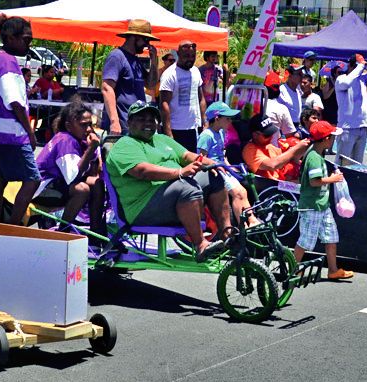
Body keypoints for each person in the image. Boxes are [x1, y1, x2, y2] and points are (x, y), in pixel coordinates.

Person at [105, 101, 226, 260]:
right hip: (142, 209)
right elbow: (142, 171)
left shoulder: (161, 139)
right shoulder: (124, 145)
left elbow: (186, 155)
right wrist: (180, 172)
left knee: (213, 176)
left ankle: (227, 236)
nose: (148, 123)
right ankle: (200, 244)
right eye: (141, 119)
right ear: (129, 122)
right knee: (186, 187)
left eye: (151, 120)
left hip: (170, 198)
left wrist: (207, 162)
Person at [0, 15, 39, 225]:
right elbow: (15, 101)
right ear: (10, 38)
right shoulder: (7, 62)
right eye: (26, 39)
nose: (29, 44)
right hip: (12, 133)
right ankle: (13, 227)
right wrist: (30, 133)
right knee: (32, 179)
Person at [295, 121, 353, 281]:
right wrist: (333, 179)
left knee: (331, 237)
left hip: (322, 205)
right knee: (305, 241)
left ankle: (333, 270)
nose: (333, 140)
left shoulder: (316, 154)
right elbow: (314, 181)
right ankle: (293, 269)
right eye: (332, 137)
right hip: (312, 206)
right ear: (326, 139)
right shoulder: (314, 157)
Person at [35, 97, 102, 226]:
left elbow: (96, 169)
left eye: (90, 124)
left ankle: (96, 229)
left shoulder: (79, 139)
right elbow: (73, 177)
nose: (89, 129)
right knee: (82, 190)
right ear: (68, 126)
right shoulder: (65, 140)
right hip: (41, 189)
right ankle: (63, 230)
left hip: (57, 184)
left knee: (97, 184)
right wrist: (91, 149)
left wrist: (94, 149)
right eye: (83, 125)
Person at [195, 101, 257, 228]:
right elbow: (200, 160)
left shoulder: (221, 133)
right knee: (238, 193)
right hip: (214, 173)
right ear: (217, 119)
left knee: (243, 191)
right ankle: (243, 226)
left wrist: (230, 167)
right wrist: (216, 167)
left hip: (223, 169)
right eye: (227, 118)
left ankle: (252, 220)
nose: (230, 121)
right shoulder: (206, 136)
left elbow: (223, 156)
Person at [101, 19, 156, 136]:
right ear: (135, 37)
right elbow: (107, 88)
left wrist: (154, 61)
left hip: (137, 125)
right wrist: (114, 122)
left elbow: (151, 84)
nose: (147, 44)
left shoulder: (136, 60)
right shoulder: (117, 56)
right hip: (122, 126)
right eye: (146, 40)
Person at [335, 54, 367, 164]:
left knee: (357, 164)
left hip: (362, 127)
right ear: (350, 65)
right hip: (347, 128)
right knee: (342, 163)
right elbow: (347, 83)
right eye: (357, 66)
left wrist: (366, 65)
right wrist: (360, 67)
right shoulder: (341, 79)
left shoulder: (363, 79)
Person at [158, 40, 206, 150]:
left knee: (193, 159)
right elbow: (164, 104)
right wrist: (168, 132)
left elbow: (201, 98)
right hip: (176, 129)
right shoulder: (169, 74)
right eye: (186, 56)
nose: (190, 59)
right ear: (178, 54)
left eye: (192, 56)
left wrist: (205, 121)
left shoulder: (196, 71)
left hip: (193, 128)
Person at [242, 114, 310, 181]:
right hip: (267, 185)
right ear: (255, 135)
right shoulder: (250, 150)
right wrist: (295, 149)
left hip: (280, 182)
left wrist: (301, 149)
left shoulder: (269, 146)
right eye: (267, 135)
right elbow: (272, 165)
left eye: (271, 133)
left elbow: (287, 159)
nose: (271, 137)